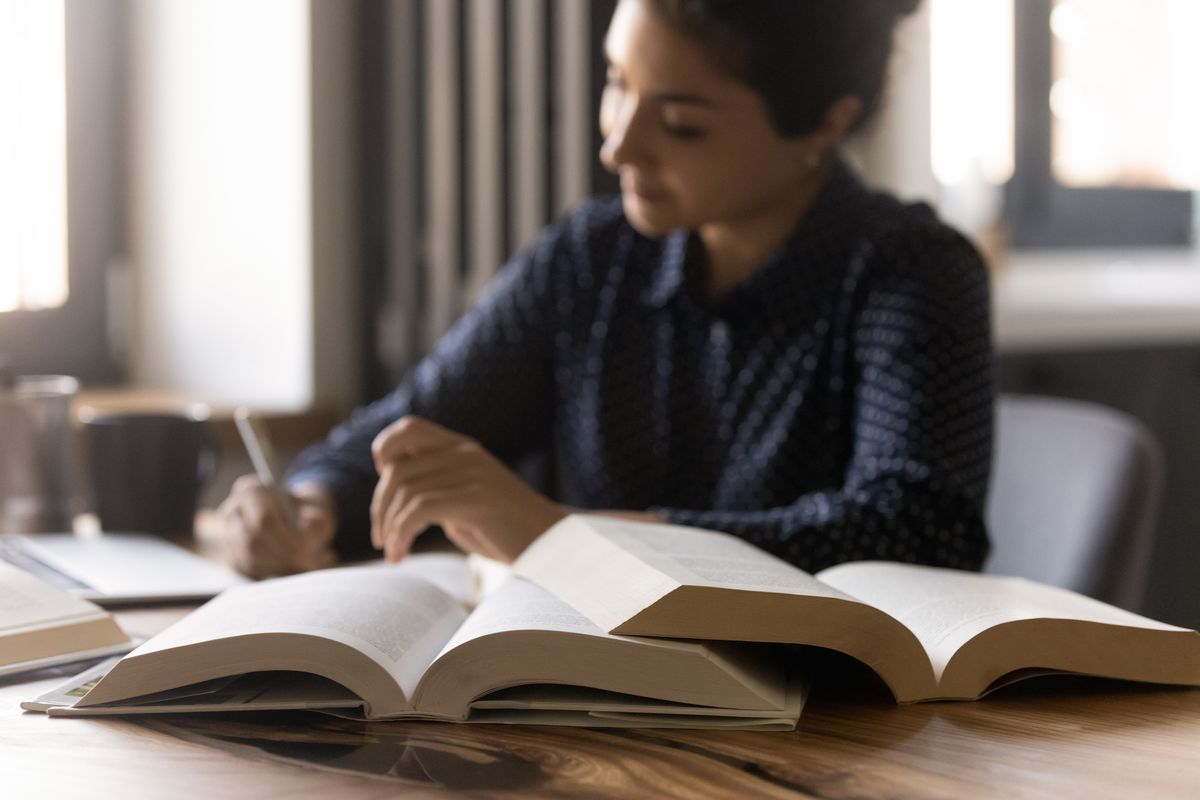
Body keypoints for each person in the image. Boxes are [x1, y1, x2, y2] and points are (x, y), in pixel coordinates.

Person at [216, 0, 994, 579]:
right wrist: (309, 504)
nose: (618, 142)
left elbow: (918, 529)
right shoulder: (592, 258)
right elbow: (418, 421)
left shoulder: (912, 271)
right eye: (617, 83)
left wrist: (568, 538)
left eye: (682, 122)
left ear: (826, 124)